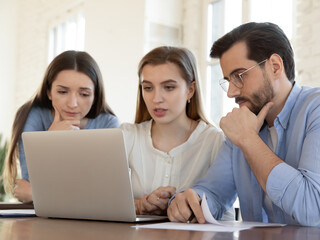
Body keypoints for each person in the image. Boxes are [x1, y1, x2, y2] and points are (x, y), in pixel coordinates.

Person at [167, 22, 320, 229]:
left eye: (239, 76)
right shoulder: (244, 126)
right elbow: (213, 193)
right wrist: (189, 201)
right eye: (227, 81)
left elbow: (311, 207)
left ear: (275, 66)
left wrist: (249, 140)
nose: (231, 92)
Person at [119, 46, 233, 219]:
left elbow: (226, 216)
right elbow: (98, 199)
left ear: (190, 90)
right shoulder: (127, 135)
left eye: (169, 87)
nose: (156, 98)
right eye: (148, 88)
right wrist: (139, 205)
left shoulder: (214, 140)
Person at [3, 50, 120, 203]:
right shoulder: (32, 116)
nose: (72, 104)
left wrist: (38, 195)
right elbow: (32, 181)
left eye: (84, 94)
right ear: (49, 92)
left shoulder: (108, 124)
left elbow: (103, 193)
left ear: (95, 96)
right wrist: (50, 141)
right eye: (63, 92)